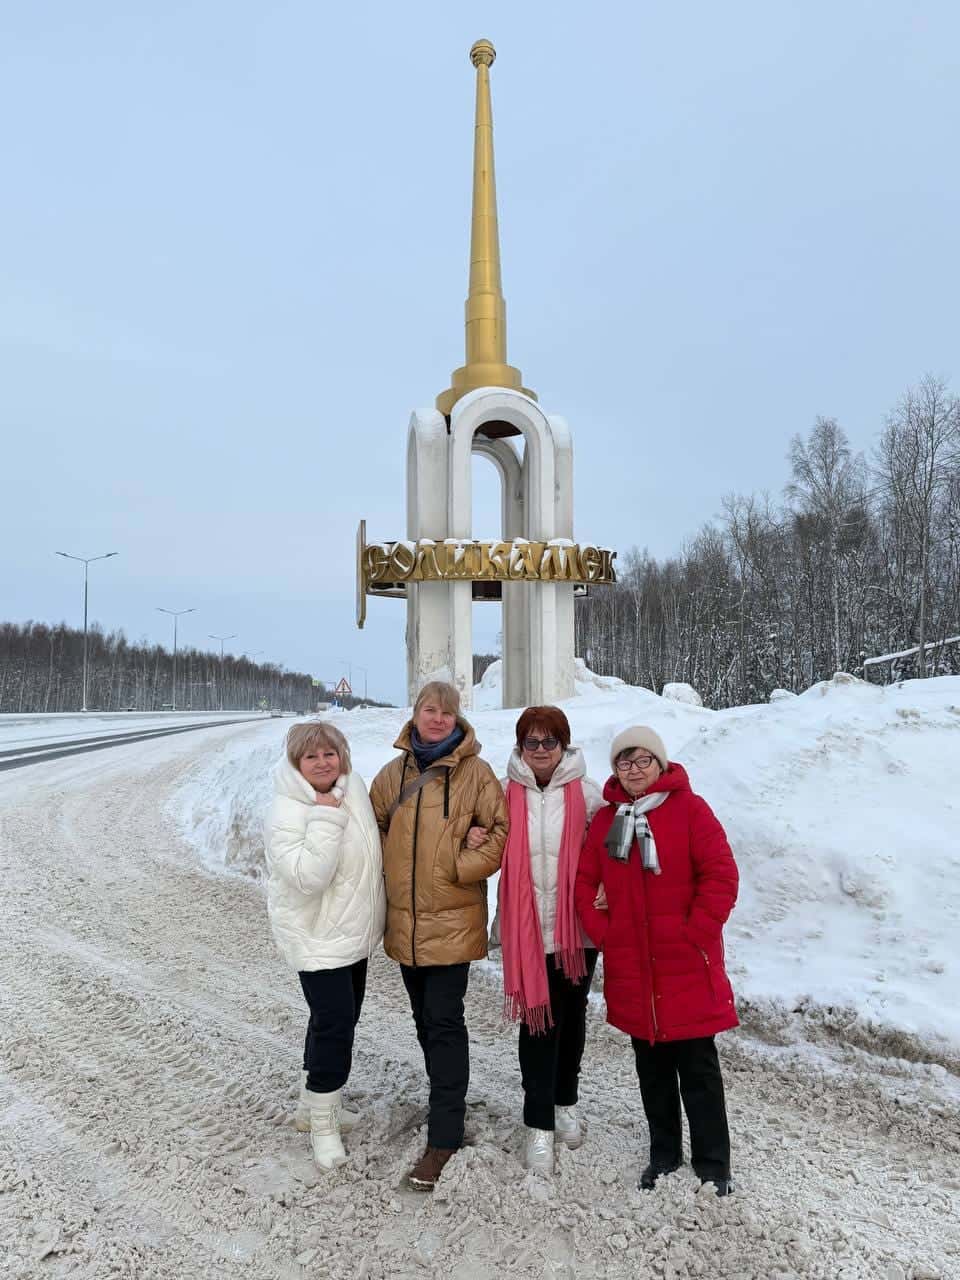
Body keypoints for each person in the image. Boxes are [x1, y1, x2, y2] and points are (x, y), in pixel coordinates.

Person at [574, 726, 739, 1196]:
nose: (634, 770)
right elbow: (585, 885)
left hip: (684, 962)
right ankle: (664, 1154)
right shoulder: (608, 821)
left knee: (699, 1069)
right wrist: (606, 934)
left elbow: (721, 875)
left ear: (661, 764)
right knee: (652, 1069)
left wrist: (696, 932)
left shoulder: (690, 810)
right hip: (633, 967)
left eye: (643, 760)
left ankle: (713, 1163)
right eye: (624, 762)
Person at [369, 681, 507, 1190]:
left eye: (447, 712)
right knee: (424, 1020)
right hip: (406, 924)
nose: (438, 719)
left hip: (451, 921)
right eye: (430, 710)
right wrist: (393, 864)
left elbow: (499, 831)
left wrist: (458, 863)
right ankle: (444, 1098)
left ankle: (444, 1134)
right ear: (416, 713)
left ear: (457, 719)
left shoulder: (476, 774)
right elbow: (372, 826)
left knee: (445, 1022)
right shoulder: (393, 774)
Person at [486, 705, 603, 1175]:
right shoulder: (501, 793)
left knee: (572, 1022)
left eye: (548, 742)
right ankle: (537, 1122)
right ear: (520, 747)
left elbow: (610, 854)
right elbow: (487, 842)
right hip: (528, 930)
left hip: (577, 932)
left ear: (563, 744)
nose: (540, 751)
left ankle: (564, 1104)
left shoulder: (588, 795)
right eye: (531, 743)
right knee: (538, 1025)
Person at [265, 721, 385, 1170]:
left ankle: (308, 1107)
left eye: (329, 753)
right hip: (316, 937)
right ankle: (323, 1128)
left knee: (335, 1020)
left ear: (343, 756)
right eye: (310, 756)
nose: (322, 762)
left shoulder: (350, 790)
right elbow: (307, 877)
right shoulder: (288, 809)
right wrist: (325, 815)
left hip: (351, 934)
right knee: (336, 1028)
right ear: (296, 762)